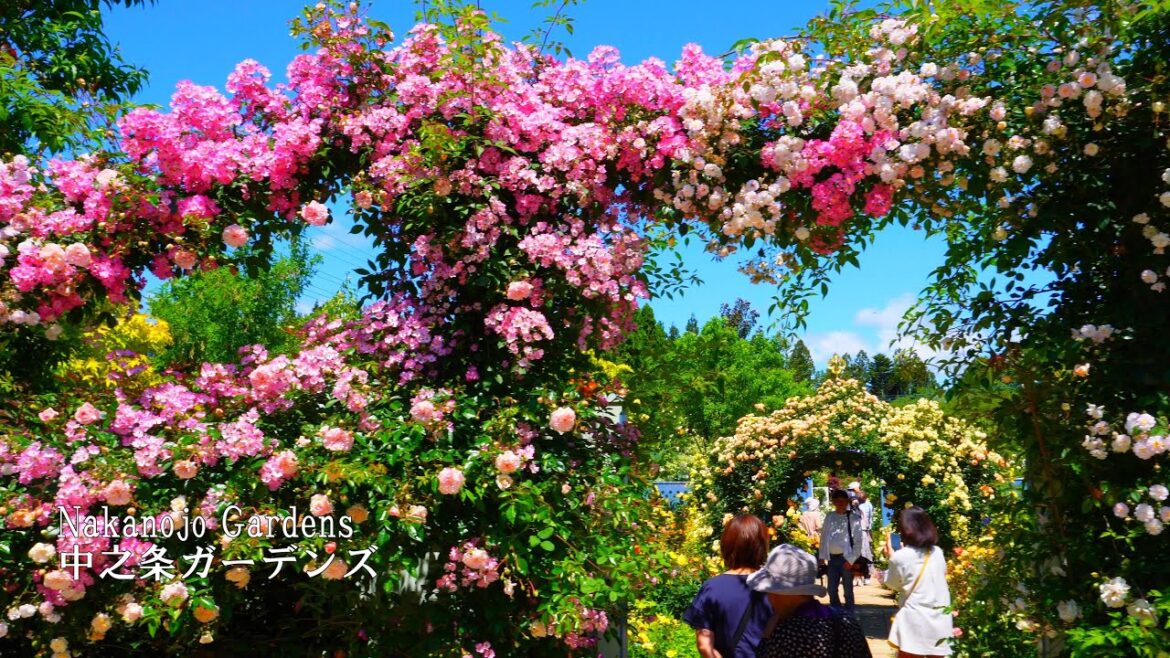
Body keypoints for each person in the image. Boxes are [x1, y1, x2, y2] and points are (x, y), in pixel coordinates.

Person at [748, 544, 873, 658]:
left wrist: (765, 639)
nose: (769, 597)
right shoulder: (847, 622)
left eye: (769, 591)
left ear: (782, 593)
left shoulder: (787, 634)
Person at [684, 514, 774, 658]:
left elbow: (704, 644)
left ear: (727, 545)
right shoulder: (776, 587)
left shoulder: (713, 588)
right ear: (762, 546)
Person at [883, 507, 954, 657]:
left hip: (915, 620)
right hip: (941, 618)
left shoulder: (900, 557)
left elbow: (892, 584)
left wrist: (891, 557)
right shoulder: (937, 552)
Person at [818, 489, 863, 613]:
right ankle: (836, 611)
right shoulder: (830, 516)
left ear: (848, 502)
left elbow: (858, 541)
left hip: (846, 558)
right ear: (833, 502)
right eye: (837, 501)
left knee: (848, 589)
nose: (840, 503)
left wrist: (852, 559)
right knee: (831, 588)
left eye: (843, 501)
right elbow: (824, 536)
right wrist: (821, 556)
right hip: (832, 558)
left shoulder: (853, 518)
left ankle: (849, 613)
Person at [854, 490, 875, 586]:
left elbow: (870, 520)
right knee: (859, 555)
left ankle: (866, 576)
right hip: (857, 532)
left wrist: (869, 532)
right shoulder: (854, 505)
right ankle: (858, 576)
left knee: (865, 555)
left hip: (864, 532)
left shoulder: (868, 505)